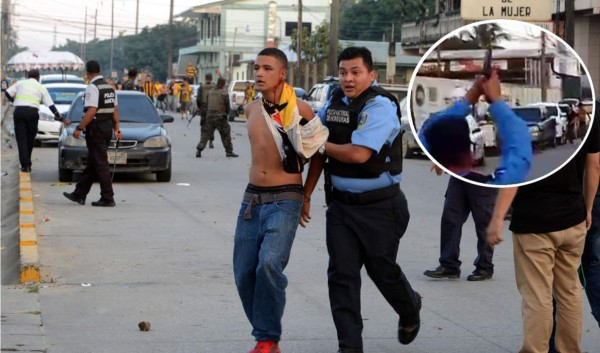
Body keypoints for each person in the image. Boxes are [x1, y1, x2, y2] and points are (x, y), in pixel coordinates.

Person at [302, 46, 421, 353]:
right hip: (341, 208)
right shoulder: (334, 103)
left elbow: (357, 154)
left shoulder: (380, 106)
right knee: (342, 276)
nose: (348, 79)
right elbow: (313, 138)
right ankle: (349, 347)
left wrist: (321, 144)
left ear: (371, 74)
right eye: (343, 72)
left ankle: (409, 307)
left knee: (382, 271)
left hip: (380, 208)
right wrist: (306, 193)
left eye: (355, 72)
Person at [233, 47, 328, 353]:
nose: (259, 73)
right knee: (244, 272)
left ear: (282, 74)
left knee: (269, 264)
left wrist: (308, 195)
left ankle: (267, 338)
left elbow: (319, 155)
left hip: (286, 198)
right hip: (251, 199)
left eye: (267, 68)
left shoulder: (301, 111)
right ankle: (265, 334)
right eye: (256, 67)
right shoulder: (250, 110)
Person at [487, 111, 600, 353]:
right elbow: (594, 166)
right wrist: (588, 208)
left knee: (538, 295)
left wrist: (497, 219)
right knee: (569, 292)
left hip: (534, 221)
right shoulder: (590, 115)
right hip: (573, 218)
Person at [418, 70, 532, 185]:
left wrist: (472, 97)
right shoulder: (498, 187)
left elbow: (426, 130)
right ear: (470, 156)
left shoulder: (432, 185)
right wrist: (495, 100)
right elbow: (519, 143)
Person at [63, 60, 122, 207]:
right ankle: (79, 194)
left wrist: (79, 128)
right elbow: (115, 110)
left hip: (96, 129)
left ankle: (108, 197)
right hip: (107, 127)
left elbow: (91, 111)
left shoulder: (92, 88)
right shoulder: (109, 87)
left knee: (100, 163)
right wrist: (117, 129)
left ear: (88, 73)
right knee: (93, 162)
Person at [423, 172, 498, 280]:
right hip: (459, 173)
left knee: (484, 224)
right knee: (450, 218)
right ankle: (449, 265)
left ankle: (484, 267)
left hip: (483, 177)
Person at [4, 69, 71, 172]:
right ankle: (27, 164)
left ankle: (25, 165)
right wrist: (61, 118)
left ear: (28, 76)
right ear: (38, 77)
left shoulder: (20, 83)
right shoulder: (41, 87)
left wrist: (15, 101)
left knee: (21, 139)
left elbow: (7, 93)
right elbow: (51, 106)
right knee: (30, 139)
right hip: (32, 113)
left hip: (19, 112)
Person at [582, 100, 600, 328]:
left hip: (593, 200)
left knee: (591, 266)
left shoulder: (594, 113)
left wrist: (587, 207)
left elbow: (594, 165)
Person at [195, 78, 238, 158]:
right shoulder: (224, 93)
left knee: (205, 135)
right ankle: (229, 152)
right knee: (225, 134)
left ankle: (199, 149)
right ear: (222, 84)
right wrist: (226, 114)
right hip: (220, 117)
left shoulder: (210, 92)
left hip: (209, 117)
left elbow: (207, 104)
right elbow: (227, 106)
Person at [196, 74, 215, 149]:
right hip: (212, 108)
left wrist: (199, 106)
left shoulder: (201, 87)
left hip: (204, 107)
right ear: (211, 79)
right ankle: (211, 141)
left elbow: (198, 98)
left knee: (203, 124)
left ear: (205, 78)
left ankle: (202, 140)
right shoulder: (214, 87)